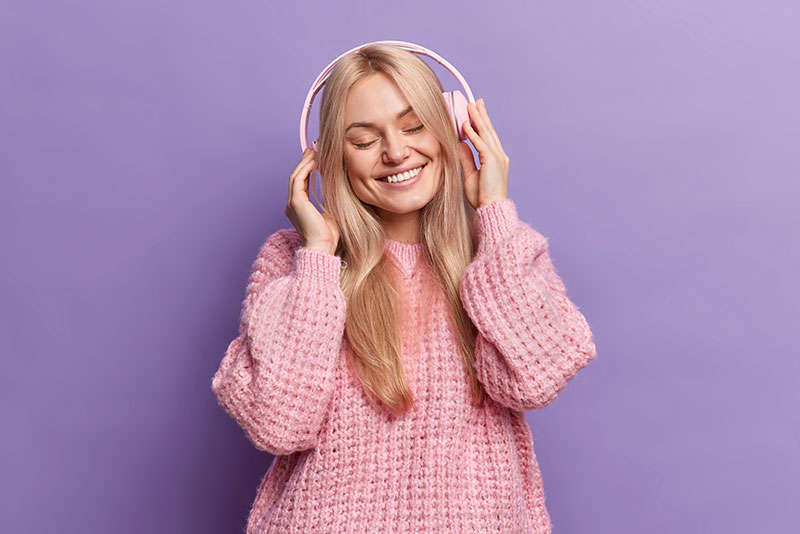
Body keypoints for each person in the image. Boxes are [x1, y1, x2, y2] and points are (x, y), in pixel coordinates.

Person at [211, 42, 597, 533]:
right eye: (364, 139)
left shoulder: (498, 252)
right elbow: (278, 421)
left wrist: (494, 212)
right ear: (331, 158)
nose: (396, 152)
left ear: (453, 131)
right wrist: (317, 258)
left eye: (413, 126)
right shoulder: (296, 263)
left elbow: (535, 378)